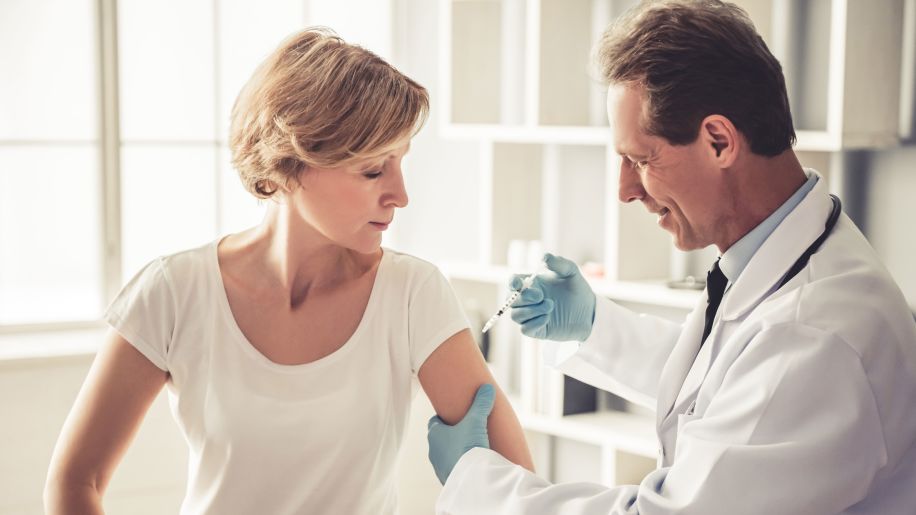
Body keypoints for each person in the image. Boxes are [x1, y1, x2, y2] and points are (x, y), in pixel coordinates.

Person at [426, 1, 916, 513]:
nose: (624, 189)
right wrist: (592, 327)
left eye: (641, 159)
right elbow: (727, 378)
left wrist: (475, 482)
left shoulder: (813, 337)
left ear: (720, 141)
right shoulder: (792, 258)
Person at [44, 28, 533, 514]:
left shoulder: (411, 294)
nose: (400, 195)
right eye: (373, 170)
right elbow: (74, 481)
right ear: (291, 162)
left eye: (401, 164)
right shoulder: (174, 292)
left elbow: (515, 489)